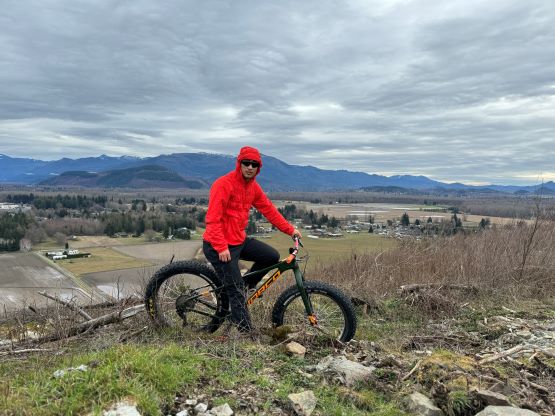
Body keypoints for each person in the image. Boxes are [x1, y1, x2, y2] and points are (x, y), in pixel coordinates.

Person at [203, 146, 302, 335]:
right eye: (246, 163)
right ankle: (247, 334)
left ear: (258, 167)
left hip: (238, 240)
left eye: (254, 164)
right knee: (235, 291)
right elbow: (212, 219)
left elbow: (269, 210)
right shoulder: (223, 184)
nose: (250, 167)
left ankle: (246, 287)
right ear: (239, 163)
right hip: (218, 245)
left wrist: (290, 230)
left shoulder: (253, 187)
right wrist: (221, 246)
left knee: (270, 256)